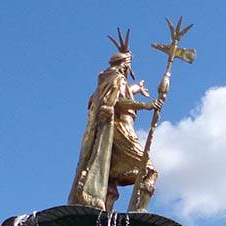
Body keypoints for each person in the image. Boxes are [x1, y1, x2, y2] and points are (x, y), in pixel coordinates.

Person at [68, 31, 160, 211]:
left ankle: (106, 213)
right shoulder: (116, 79)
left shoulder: (109, 82)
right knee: (149, 170)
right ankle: (139, 213)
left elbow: (121, 92)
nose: (128, 70)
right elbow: (116, 101)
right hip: (122, 131)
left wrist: (137, 89)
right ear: (123, 66)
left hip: (113, 133)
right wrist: (146, 105)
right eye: (127, 66)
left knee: (110, 177)